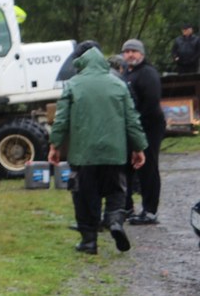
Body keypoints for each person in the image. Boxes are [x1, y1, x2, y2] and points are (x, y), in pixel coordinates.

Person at [48, 46, 147, 255]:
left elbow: (61, 120)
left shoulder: (73, 85)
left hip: (83, 154)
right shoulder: (118, 84)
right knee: (115, 191)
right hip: (114, 152)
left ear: (81, 65)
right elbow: (132, 120)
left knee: (84, 196)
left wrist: (55, 145)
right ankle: (115, 221)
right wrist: (138, 147)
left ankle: (89, 241)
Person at [120, 39, 164, 225]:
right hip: (132, 129)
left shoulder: (147, 73)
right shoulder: (127, 74)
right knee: (127, 167)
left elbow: (151, 102)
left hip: (149, 126)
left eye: (134, 51)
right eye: (127, 51)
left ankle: (150, 210)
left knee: (148, 167)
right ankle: (127, 207)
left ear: (142, 54)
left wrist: (138, 123)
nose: (130, 54)